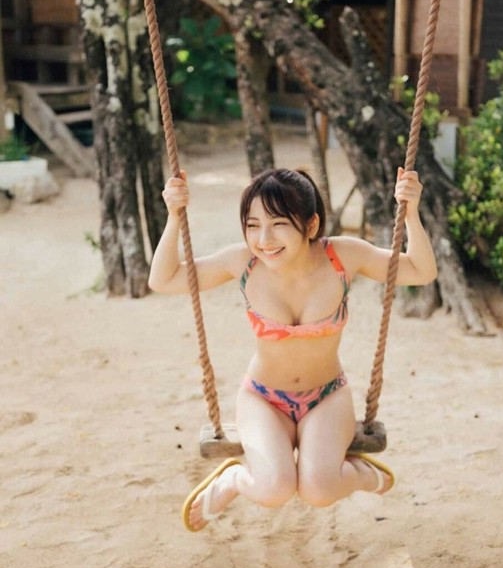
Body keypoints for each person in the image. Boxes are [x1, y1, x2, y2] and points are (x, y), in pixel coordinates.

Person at [148, 165, 437, 531]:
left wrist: (410, 212)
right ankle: (234, 479)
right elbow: (164, 279)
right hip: (263, 399)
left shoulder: (343, 257)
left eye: (278, 223)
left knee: (318, 489)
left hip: (327, 395)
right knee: (274, 489)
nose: (264, 239)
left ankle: (361, 475)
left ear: (311, 225)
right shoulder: (244, 263)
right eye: (252, 225)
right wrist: (174, 216)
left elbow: (420, 271)